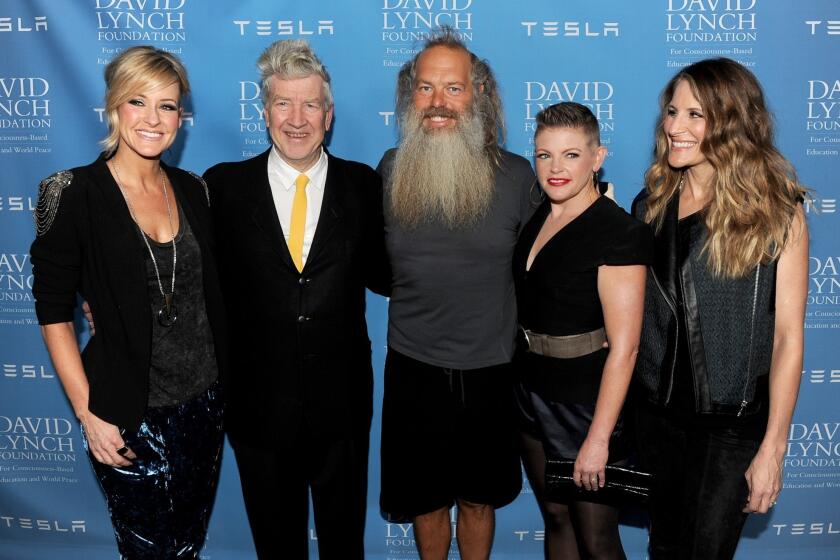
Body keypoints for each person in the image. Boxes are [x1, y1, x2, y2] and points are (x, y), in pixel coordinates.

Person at [30, 46, 227, 559]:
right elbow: (53, 312)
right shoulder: (71, 192)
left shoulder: (193, 189)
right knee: (146, 551)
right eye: (138, 101)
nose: (153, 118)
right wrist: (88, 413)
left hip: (203, 404)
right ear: (114, 107)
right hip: (124, 412)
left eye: (167, 106)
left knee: (186, 544)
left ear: (181, 118)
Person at [204, 40, 388, 559]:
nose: (297, 118)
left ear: (328, 117)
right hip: (258, 407)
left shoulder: (363, 185)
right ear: (265, 114)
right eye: (283, 103)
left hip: (343, 407)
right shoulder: (223, 187)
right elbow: (191, 276)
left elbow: (390, 273)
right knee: (276, 545)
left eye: (310, 104)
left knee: (343, 544)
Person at [632, 58, 809, 559]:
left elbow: (788, 337)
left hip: (731, 426)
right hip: (658, 417)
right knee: (664, 550)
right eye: (672, 111)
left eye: (695, 114)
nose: (675, 127)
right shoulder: (650, 205)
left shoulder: (776, 211)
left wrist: (772, 449)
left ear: (731, 122)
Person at [378, 27, 535, 559]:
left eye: (453, 88)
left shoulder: (518, 178)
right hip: (412, 367)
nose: (438, 103)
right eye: (425, 88)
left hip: (490, 369)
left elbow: (545, 273)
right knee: (425, 501)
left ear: (479, 95)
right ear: (410, 96)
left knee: (477, 501)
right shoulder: (390, 171)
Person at [513, 103, 652, 560]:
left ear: (598, 157)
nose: (555, 168)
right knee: (555, 518)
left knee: (596, 538)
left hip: (586, 403)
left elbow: (626, 348)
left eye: (571, 155)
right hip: (531, 391)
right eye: (544, 155)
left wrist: (598, 438)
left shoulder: (618, 232)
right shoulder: (539, 214)